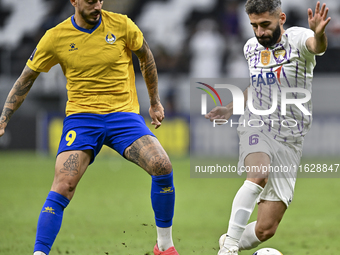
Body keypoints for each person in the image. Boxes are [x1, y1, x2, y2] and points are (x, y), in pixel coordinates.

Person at [0, 1, 179, 255]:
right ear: (74, 1)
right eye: (90, 0)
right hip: (82, 119)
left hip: (123, 116)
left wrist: (154, 102)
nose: (97, 5)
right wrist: (5, 115)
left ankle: (164, 246)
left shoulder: (122, 24)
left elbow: (146, 56)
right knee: (63, 185)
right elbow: (26, 78)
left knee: (163, 166)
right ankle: (39, 253)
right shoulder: (55, 37)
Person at [205, 1, 331, 254]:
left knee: (266, 229)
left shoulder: (299, 39)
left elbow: (316, 47)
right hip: (257, 124)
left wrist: (319, 33)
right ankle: (228, 248)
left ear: (281, 18)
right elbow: (257, 86)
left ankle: (229, 239)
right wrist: (230, 109)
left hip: (290, 138)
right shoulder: (251, 48)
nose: (260, 32)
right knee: (258, 174)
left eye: (265, 25)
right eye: (254, 26)